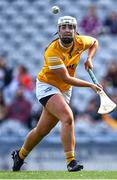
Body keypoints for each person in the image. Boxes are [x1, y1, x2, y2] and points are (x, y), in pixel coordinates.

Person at [11, 16, 102, 172]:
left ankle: (20, 155)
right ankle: (71, 161)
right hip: (47, 86)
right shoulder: (52, 51)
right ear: (58, 31)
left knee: (41, 131)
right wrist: (91, 85)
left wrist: (89, 58)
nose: (67, 30)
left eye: (70, 27)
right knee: (67, 117)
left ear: (75, 30)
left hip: (64, 89)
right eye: (64, 27)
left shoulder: (81, 41)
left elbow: (95, 42)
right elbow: (66, 77)